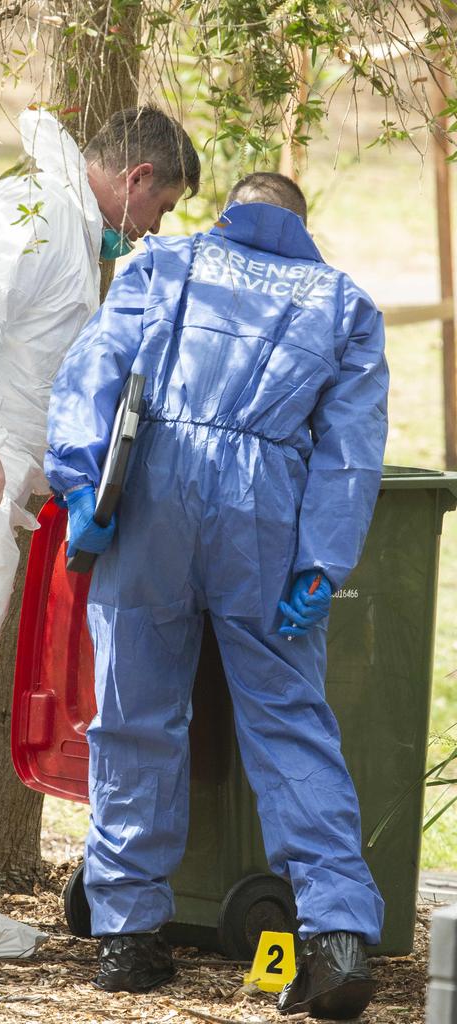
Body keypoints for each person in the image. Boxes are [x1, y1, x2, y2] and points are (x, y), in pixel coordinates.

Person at [45, 172, 388, 1019]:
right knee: (288, 720)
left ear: (231, 211)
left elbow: (93, 372)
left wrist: (84, 486)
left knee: (135, 711)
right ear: (299, 226)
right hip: (265, 508)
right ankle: (338, 934)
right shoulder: (344, 303)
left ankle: (127, 934)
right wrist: (320, 564)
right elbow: (350, 449)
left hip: (153, 493)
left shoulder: (165, 263)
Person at [0, 104, 201, 982]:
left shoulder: (61, 219)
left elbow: (28, 358)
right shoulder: (28, 212)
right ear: (136, 179)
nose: (157, 227)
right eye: (163, 206)